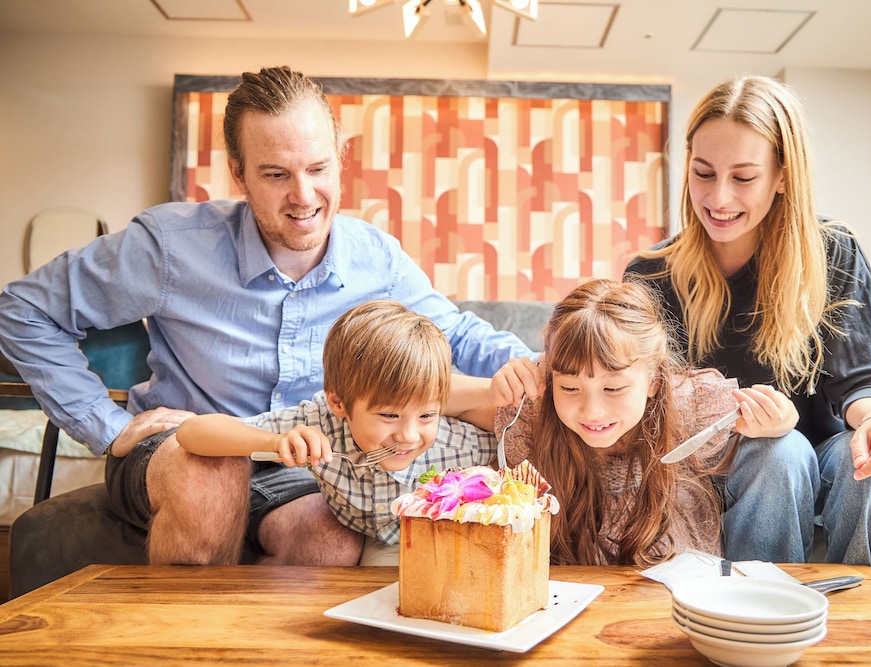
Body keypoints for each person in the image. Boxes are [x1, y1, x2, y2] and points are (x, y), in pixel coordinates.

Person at [0, 66, 533, 568]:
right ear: (239, 173)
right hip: (185, 450)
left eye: (318, 169)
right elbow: (23, 308)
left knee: (329, 540)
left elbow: (459, 336)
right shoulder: (169, 247)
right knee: (212, 480)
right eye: (276, 174)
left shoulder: (379, 259)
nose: (303, 197)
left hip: (297, 469)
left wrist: (564, 374)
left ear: (339, 160)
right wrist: (105, 424)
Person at [624, 74, 871, 581]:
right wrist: (736, 429)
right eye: (703, 173)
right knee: (776, 453)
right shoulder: (651, 274)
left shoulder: (833, 251)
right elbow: (642, 402)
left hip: (827, 454)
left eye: (743, 178)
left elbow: (866, 377)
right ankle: (752, 623)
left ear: (783, 175)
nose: (718, 198)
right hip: (714, 466)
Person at [482, 278, 798, 566]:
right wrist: (503, 386)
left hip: (682, 584)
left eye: (613, 388)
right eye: (570, 388)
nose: (592, 411)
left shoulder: (693, 402)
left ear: (654, 382)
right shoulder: (531, 412)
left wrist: (779, 416)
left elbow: (781, 419)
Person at [167, 301, 496, 553]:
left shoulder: (462, 444)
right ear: (339, 403)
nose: (409, 436)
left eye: (427, 416)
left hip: (444, 542)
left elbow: (522, 434)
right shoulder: (320, 422)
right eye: (389, 416)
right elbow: (192, 433)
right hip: (375, 545)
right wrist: (276, 441)